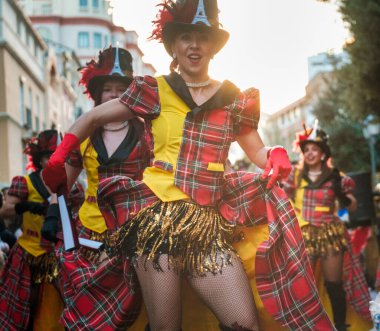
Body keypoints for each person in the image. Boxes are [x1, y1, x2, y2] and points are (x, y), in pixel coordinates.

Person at [43, 1, 334, 330]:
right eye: (185, 37)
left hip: (208, 227)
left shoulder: (232, 98)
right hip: (155, 224)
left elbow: (258, 151)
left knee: (245, 324)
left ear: (213, 47)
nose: (194, 45)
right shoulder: (155, 90)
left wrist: (277, 152)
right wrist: (61, 154)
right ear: (173, 45)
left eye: (202, 37)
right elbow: (94, 116)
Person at [41, 46, 152, 330]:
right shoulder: (84, 137)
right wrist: (56, 216)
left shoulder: (146, 134)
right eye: (108, 89)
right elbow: (60, 185)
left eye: (121, 89)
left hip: (134, 230)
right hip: (89, 235)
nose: (114, 96)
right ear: (97, 94)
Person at [282, 123, 372, 331]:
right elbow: (284, 199)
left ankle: (340, 326)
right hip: (304, 234)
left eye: (315, 149)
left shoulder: (337, 176)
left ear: (323, 152)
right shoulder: (295, 175)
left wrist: (343, 196)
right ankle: (306, 325)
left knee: (334, 284)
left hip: (330, 233)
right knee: (304, 284)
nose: (310, 153)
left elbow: (352, 206)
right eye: (307, 150)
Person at [0, 130, 65, 330]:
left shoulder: (68, 184)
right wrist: (26, 206)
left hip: (57, 254)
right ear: (39, 159)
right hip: (27, 254)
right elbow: (5, 211)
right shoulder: (24, 182)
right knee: (19, 310)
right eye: (49, 157)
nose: (54, 161)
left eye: (59, 156)